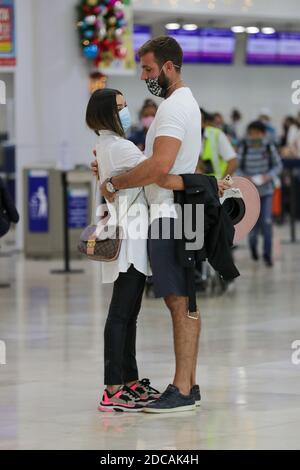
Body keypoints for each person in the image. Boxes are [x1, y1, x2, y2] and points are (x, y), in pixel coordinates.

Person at [92, 36, 232, 414]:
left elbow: (159, 166)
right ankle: (187, 383)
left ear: (169, 68)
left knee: (179, 300)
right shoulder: (183, 104)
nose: (144, 76)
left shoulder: (173, 108)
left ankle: (183, 388)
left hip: (172, 215)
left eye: (149, 69)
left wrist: (114, 181)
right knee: (180, 299)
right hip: (172, 212)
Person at [86, 88, 164, 412]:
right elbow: (156, 171)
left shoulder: (106, 146)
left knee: (129, 314)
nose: (126, 110)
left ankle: (130, 381)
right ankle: (112, 388)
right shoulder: (119, 147)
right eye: (120, 107)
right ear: (106, 113)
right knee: (121, 314)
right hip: (130, 239)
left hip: (130, 233)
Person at [237, 121, 283, 267]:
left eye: (258, 133)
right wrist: (245, 177)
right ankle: (253, 247)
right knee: (252, 223)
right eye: (252, 132)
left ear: (263, 133)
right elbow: (237, 168)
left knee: (267, 222)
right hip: (250, 192)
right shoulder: (243, 148)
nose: (255, 136)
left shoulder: (269, 147)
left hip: (266, 192)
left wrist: (268, 176)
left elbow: (278, 165)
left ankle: (268, 255)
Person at [198, 109, 238, 179]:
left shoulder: (216, 134)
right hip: (203, 185)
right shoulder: (189, 137)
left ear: (205, 122)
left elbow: (233, 162)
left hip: (219, 182)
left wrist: (223, 183)